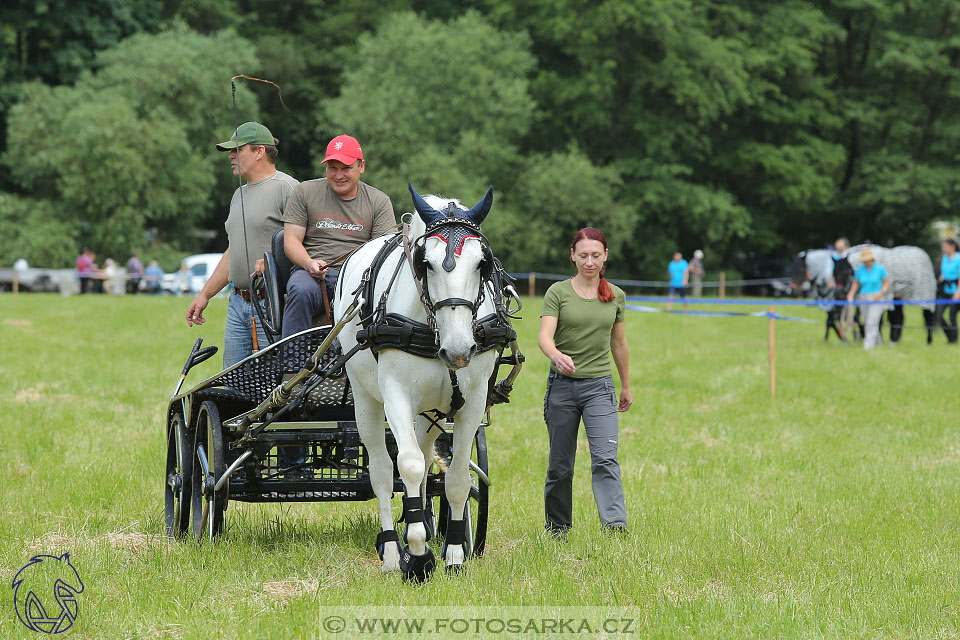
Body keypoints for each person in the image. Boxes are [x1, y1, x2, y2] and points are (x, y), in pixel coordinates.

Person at [538, 227, 632, 537]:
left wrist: (626, 385)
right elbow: (544, 338)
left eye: (595, 255)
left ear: (605, 255)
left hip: (599, 388)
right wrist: (556, 356)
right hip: (562, 389)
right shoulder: (558, 292)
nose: (588, 262)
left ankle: (615, 524)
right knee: (560, 467)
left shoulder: (615, 295)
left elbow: (619, 344)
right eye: (583, 256)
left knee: (605, 458)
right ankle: (558, 529)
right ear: (572, 256)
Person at [185, 121, 299, 368]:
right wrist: (205, 294)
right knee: (233, 382)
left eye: (238, 150)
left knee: (271, 387)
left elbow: (303, 245)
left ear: (260, 152)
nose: (231, 156)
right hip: (238, 303)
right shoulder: (239, 194)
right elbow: (234, 249)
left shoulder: (287, 188)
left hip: (271, 302)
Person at [280, 134, 396, 339]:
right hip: (312, 274)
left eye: (346, 168)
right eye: (332, 168)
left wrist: (357, 275)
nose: (338, 175)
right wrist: (309, 263)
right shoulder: (305, 192)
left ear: (361, 167)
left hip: (359, 278)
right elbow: (290, 241)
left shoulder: (379, 201)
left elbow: (384, 253)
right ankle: (292, 364)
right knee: (299, 289)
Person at [847, 247, 890, 350]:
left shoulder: (880, 269)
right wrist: (851, 294)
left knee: (872, 322)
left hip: (876, 298)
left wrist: (881, 293)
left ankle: (868, 347)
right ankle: (878, 344)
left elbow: (886, 283)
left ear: (871, 259)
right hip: (863, 298)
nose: (865, 261)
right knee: (868, 322)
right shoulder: (860, 270)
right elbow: (855, 284)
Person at [935, 238, 960, 343]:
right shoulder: (944, 258)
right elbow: (943, 273)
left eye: (945, 246)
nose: (943, 248)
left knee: (952, 316)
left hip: (956, 291)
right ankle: (950, 335)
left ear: (952, 246)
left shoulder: (959, 258)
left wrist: (958, 292)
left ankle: (954, 339)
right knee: (938, 315)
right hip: (945, 290)